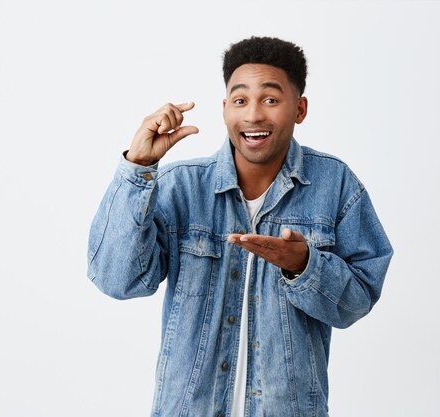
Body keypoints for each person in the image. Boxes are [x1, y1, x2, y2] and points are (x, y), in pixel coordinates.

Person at [86, 36, 393, 417]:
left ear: (299, 109)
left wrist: (305, 266)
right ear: (225, 108)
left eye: (270, 99)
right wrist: (137, 169)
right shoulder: (181, 186)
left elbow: (357, 301)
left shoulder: (336, 185)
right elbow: (117, 279)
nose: (252, 116)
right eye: (240, 100)